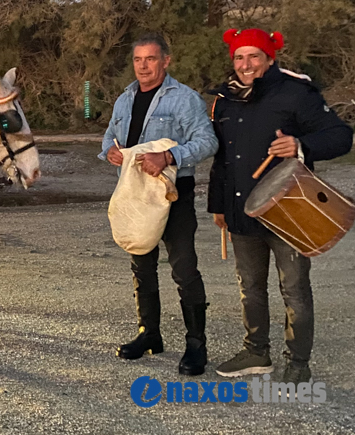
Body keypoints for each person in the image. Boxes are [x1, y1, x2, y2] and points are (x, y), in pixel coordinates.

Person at [209, 29, 353, 383]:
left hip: (290, 211)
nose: (246, 65)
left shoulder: (296, 93)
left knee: (294, 290)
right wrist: (219, 206)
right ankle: (257, 352)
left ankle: (298, 364)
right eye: (239, 57)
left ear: (269, 58)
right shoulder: (226, 98)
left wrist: (300, 144)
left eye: (254, 56)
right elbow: (222, 159)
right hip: (243, 210)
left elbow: (341, 137)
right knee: (250, 288)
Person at [99, 33, 218, 376]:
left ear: (166, 61)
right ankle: (149, 335)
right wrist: (109, 150)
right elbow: (111, 135)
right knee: (142, 263)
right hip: (135, 192)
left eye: (151, 59)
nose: (144, 66)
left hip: (172, 191)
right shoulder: (125, 98)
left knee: (184, 268)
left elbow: (207, 141)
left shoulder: (184, 99)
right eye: (138, 60)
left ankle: (196, 345)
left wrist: (169, 155)